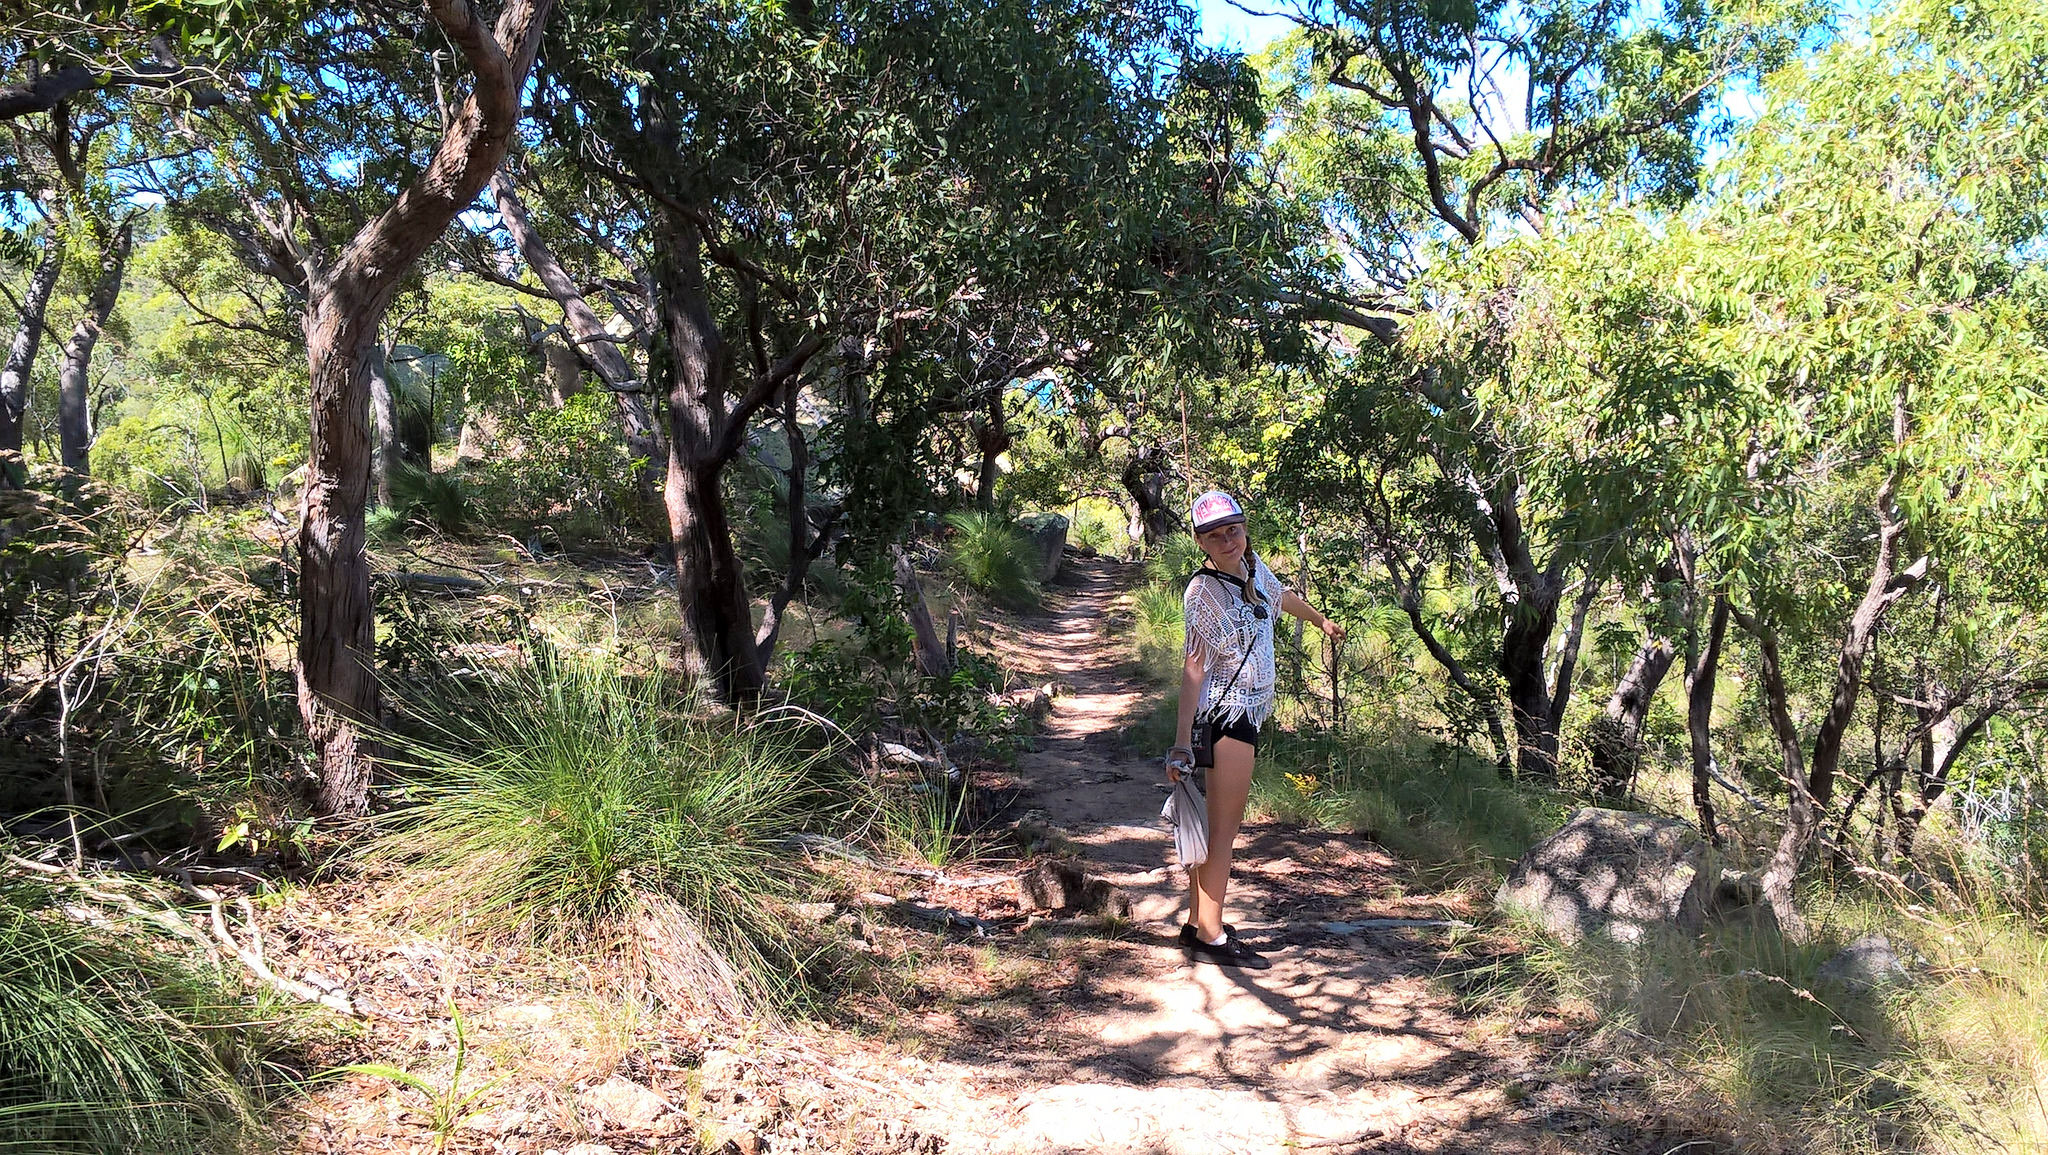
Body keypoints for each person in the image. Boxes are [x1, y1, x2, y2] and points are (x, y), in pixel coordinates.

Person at [1165, 490, 1344, 969]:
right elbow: (1193, 670)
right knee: (1222, 831)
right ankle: (1212, 935)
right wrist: (1180, 744)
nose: (1227, 541)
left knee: (1214, 828)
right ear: (1199, 542)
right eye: (1214, 535)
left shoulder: (1252, 568)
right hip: (1226, 719)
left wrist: (1321, 621)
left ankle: (1197, 922)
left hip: (1248, 714)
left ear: (1244, 529)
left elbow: (1281, 596)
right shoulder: (1202, 593)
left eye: (1234, 530)